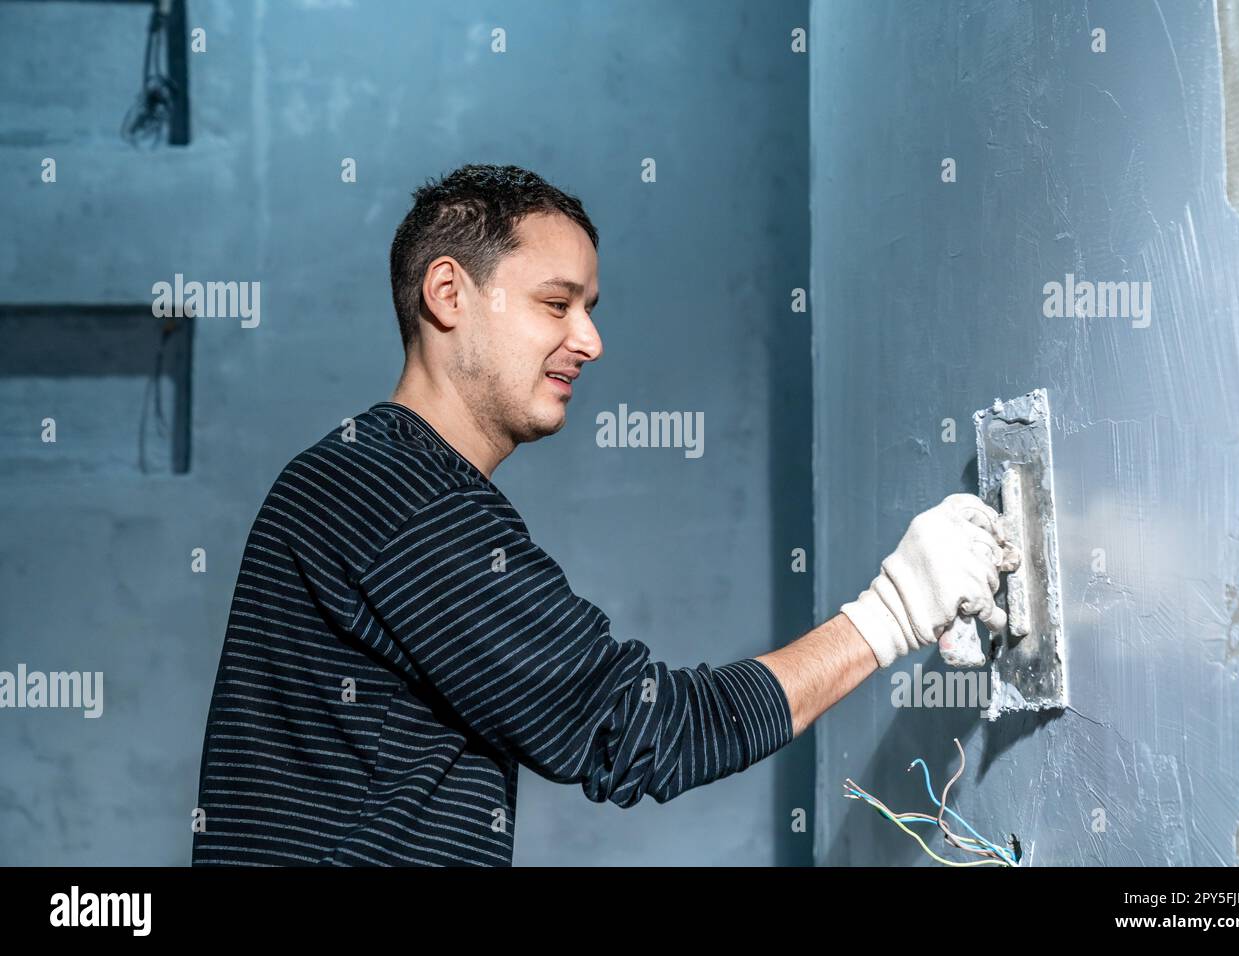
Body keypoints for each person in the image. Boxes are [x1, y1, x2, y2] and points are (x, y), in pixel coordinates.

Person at [191, 163, 1015, 866]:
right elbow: (639, 730)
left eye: (590, 306)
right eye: (558, 304)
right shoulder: (398, 494)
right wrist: (892, 611)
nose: (590, 340)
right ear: (448, 293)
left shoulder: (371, 477)